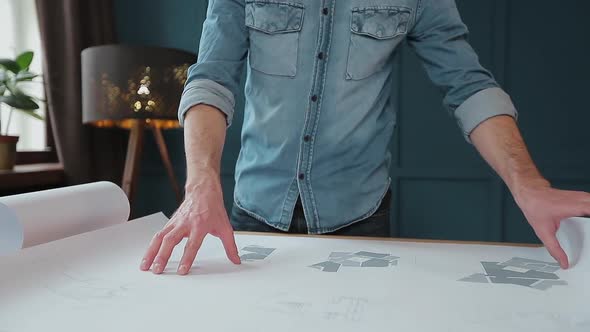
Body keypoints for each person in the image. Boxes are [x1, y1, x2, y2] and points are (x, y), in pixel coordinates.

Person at [139, 0, 590, 275]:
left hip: (360, 215)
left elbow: (468, 85)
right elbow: (211, 81)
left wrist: (528, 184)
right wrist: (200, 184)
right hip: (252, 213)